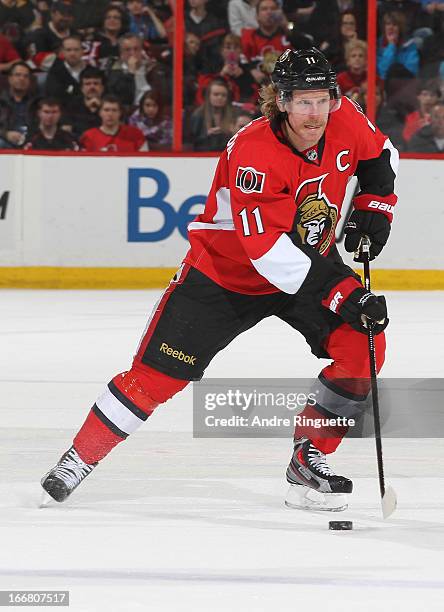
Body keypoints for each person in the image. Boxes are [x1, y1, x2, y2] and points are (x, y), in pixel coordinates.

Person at [41, 48, 399, 514]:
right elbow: (269, 254)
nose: (315, 114)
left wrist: (374, 207)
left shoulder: (344, 116)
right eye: (302, 102)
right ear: (282, 101)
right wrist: (345, 293)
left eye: (322, 100)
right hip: (225, 277)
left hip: (307, 262)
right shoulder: (254, 153)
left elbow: (380, 156)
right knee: (155, 378)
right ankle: (78, 459)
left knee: (363, 344)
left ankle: (308, 461)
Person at [241, 0, 291, 84]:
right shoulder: (248, 37)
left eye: (273, 9)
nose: (269, 12)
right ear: (257, 16)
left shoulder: (289, 37)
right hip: (256, 89)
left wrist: (286, 26)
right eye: (264, 9)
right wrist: (251, 71)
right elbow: (241, 61)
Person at [79, 94, 147, 151]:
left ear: (120, 113)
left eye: (114, 110)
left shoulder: (135, 134)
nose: (110, 114)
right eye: (106, 110)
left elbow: (145, 161)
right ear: (100, 112)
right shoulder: (89, 136)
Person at [189, 77, 235, 151]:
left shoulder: (233, 115)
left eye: (223, 95)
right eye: (216, 94)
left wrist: (232, 133)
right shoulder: (198, 115)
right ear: (208, 96)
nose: (220, 97)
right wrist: (207, 134)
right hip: (202, 155)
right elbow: (190, 143)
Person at [63, 66, 106, 138]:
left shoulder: (111, 105)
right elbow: (66, 130)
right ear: (81, 88)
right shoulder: (71, 105)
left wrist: (101, 108)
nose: (92, 87)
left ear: (102, 88)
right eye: (87, 84)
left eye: (96, 83)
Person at [0, 61, 35, 148]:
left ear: (29, 81)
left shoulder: (36, 102)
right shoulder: (1, 101)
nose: (21, 78)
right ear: (10, 78)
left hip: (31, 140)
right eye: (18, 75)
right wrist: (6, 134)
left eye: (25, 76)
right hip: (6, 140)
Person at [45, 35, 86, 106]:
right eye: (68, 50)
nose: (72, 53)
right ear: (62, 52)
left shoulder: (92, 70)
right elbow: (55, 98)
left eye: (76, 50)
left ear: (82, 51)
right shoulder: (55, 73)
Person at [402, 79, 441, 143]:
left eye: (432, 95)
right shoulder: (411, 117)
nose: (428, 98)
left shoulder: (441, 116)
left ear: (437, 98)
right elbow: (407, 137)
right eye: (425, 94)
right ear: (418, 96)